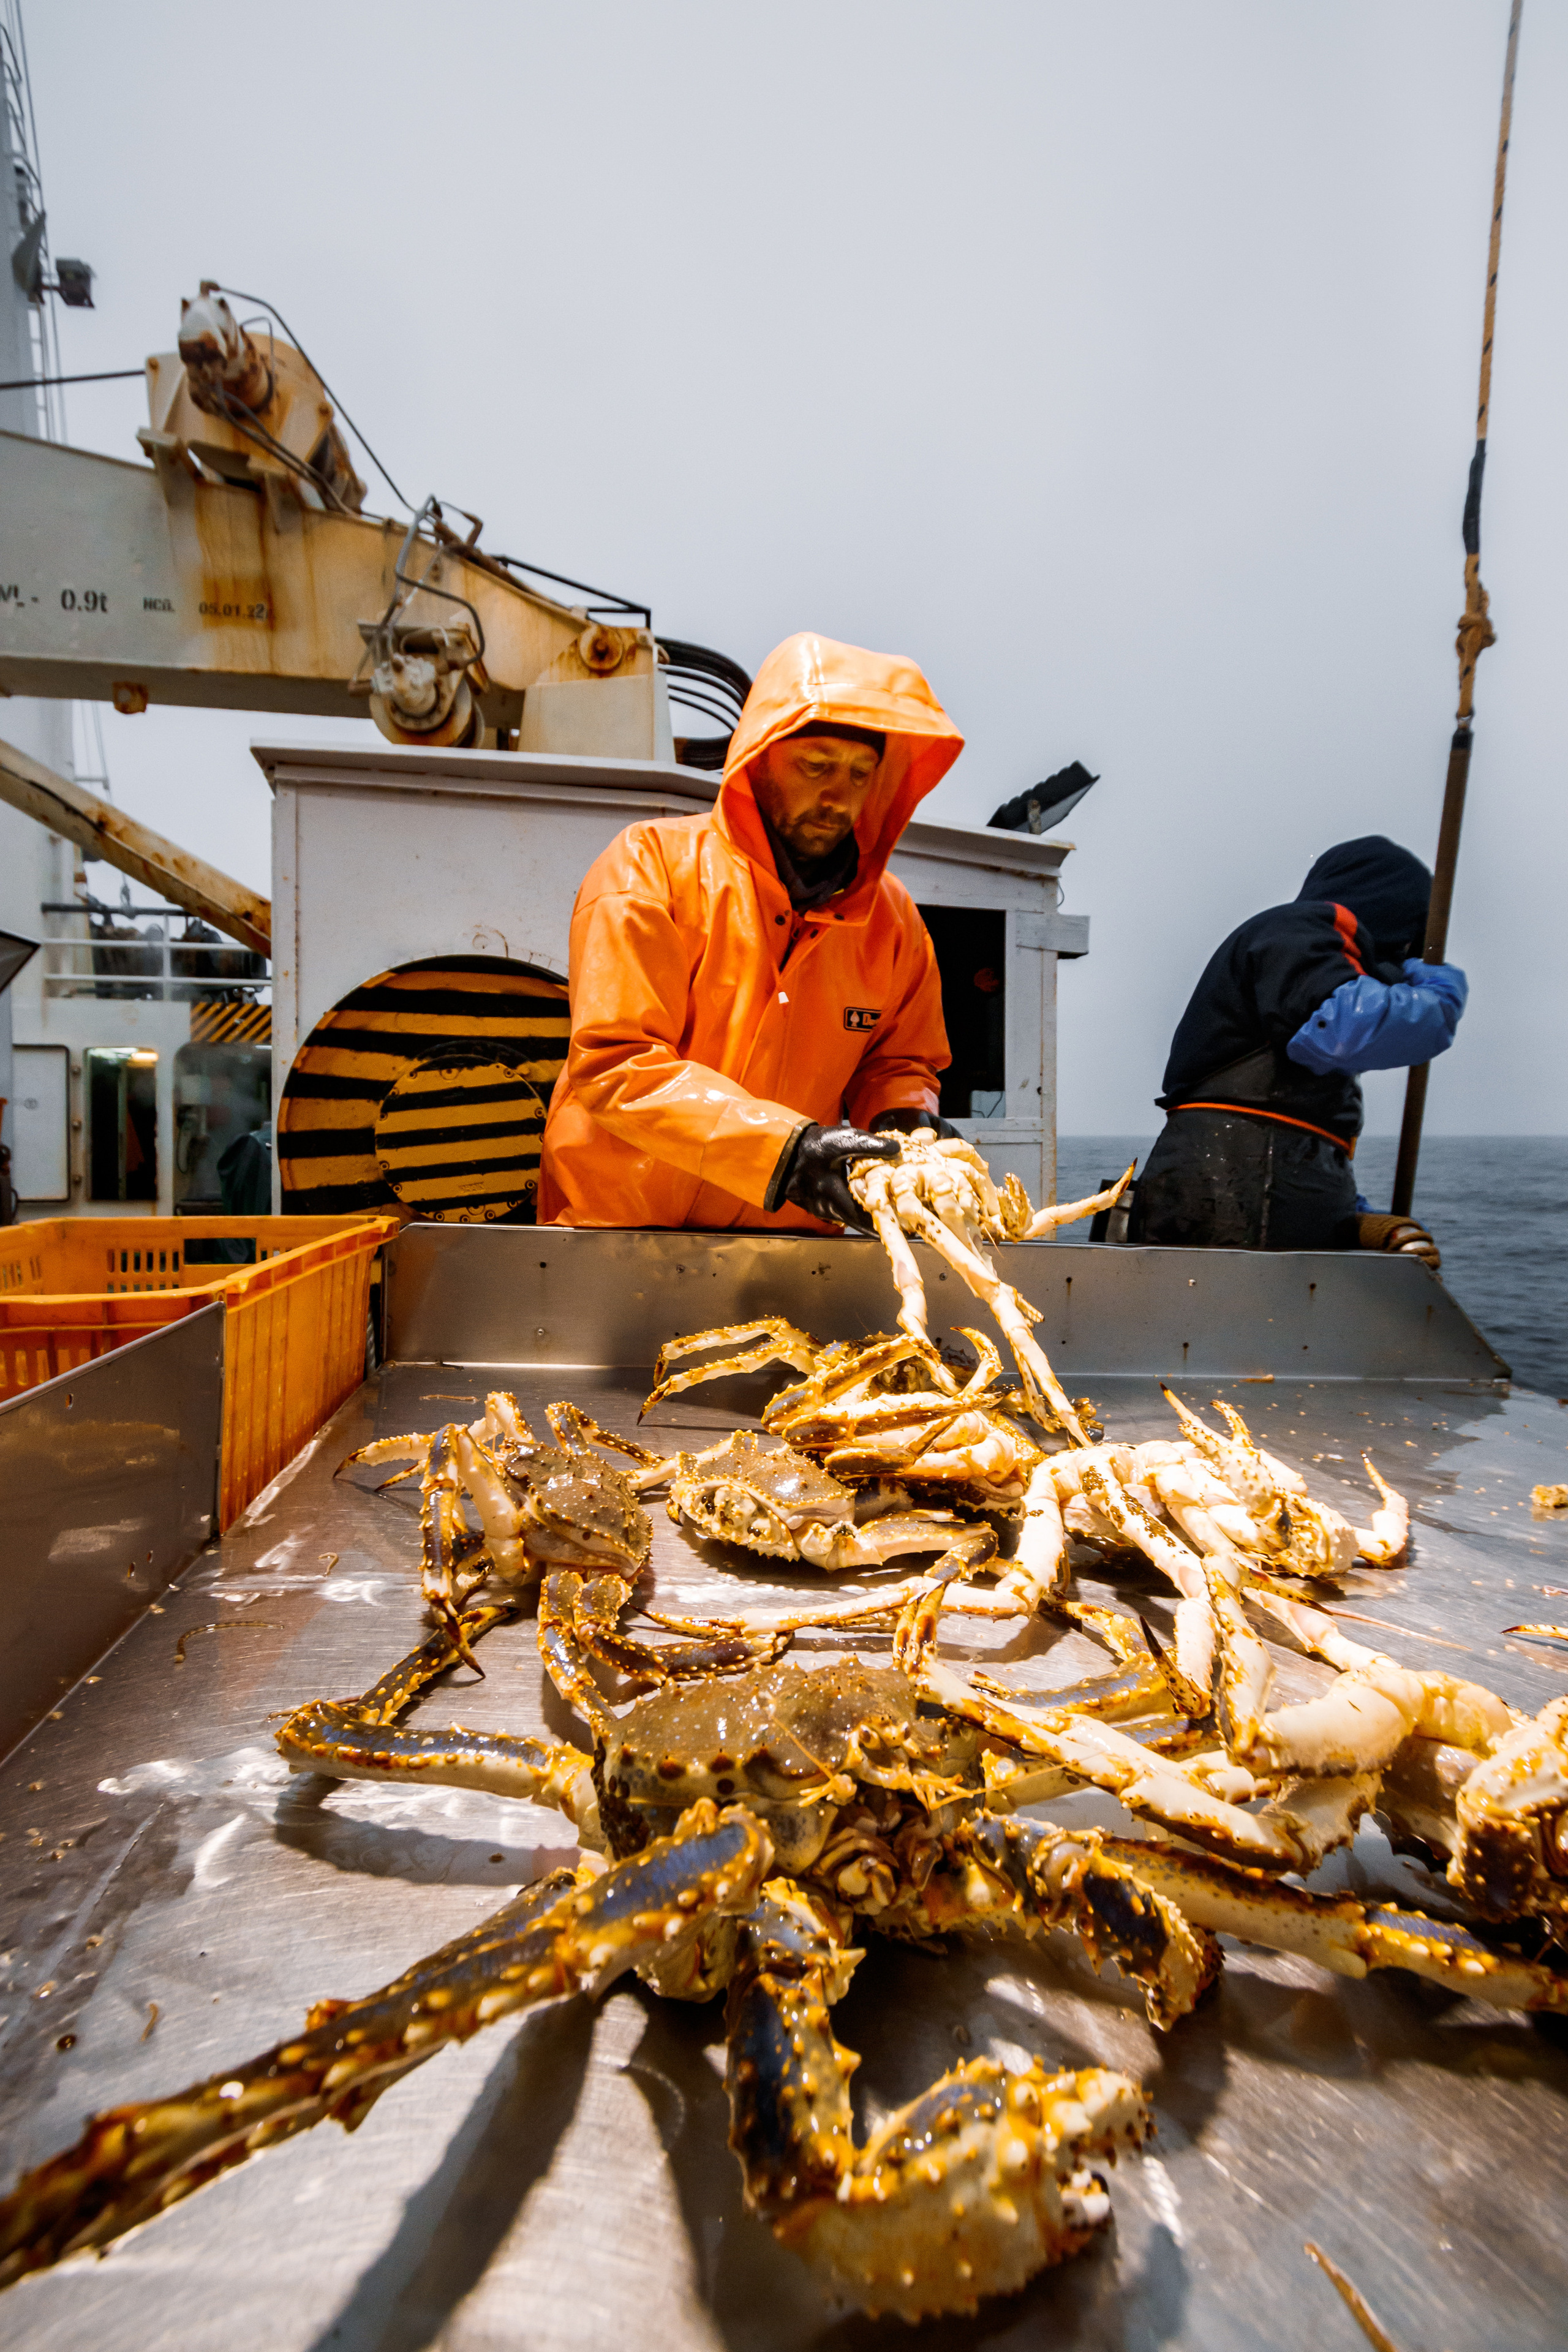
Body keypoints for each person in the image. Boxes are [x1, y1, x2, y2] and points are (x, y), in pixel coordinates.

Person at [538, 632, 963, 1232]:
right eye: (815, 766)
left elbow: (898, 1063)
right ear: (757, 757)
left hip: (787, 1251)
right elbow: (618, 1064)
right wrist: (788, 1155)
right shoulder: (649, 865)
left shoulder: (892, 920)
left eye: (861, 774)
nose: (838, 797)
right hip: (617, 1237)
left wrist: (902, 1121)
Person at [1128, 836, 1467, 1264]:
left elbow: (1298, 1126)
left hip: (1237, 1183)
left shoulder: (1298, 954)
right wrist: (1440, 998)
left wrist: (1350, 1217)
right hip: (1242, 1186)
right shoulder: (1305, 928)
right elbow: (1345, 1026)